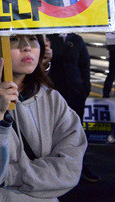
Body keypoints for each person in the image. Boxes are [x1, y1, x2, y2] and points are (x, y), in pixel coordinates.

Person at [0, 35, 87, 200]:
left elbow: (70, 170)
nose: (27, 47)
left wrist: (9, 176)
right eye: (14, 39)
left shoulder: (52, 98)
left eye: (33, 39)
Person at [47, 33, 99, 183]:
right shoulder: (47, 37)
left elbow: (85, 65)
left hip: (76, 93)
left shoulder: (76, 39)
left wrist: (85, 89)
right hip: (54, 95)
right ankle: (55, 169)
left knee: (77, 131)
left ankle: (80, 166)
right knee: (53, 132)